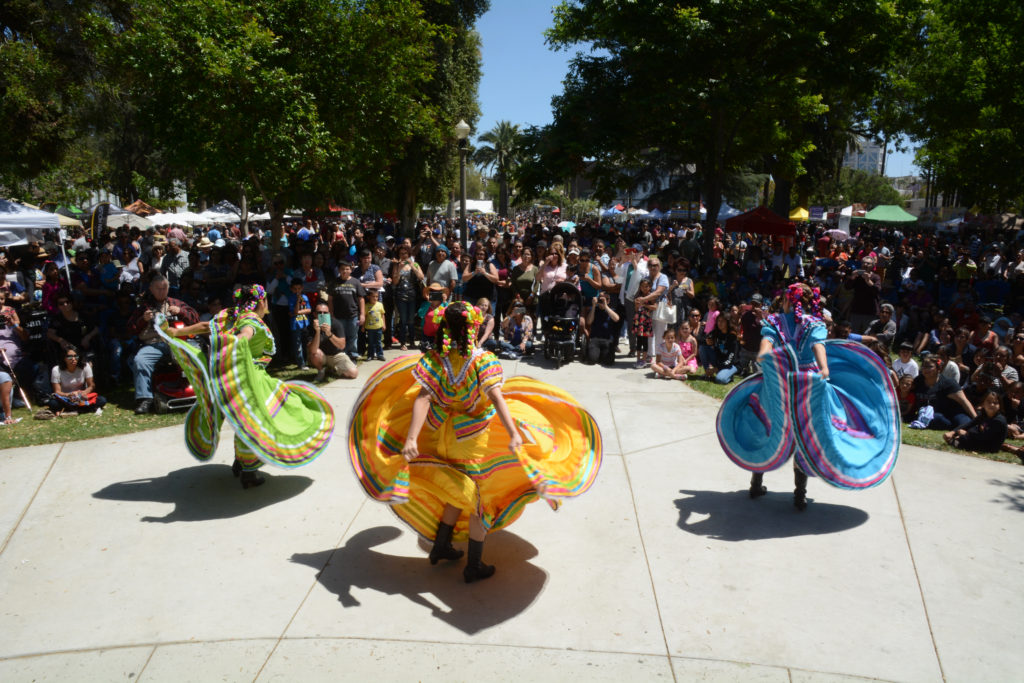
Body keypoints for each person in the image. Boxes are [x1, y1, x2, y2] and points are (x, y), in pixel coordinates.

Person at [347, 302, 603, 583]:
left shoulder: (436, 360)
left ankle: (441, 546)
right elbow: (496, 398)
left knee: (458, 491)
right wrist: (514, 432)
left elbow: (423, 398)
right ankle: (475, 565)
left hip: (445, 437)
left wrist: (411, 439)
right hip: (475, 442)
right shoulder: (482, 360)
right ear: (473, 328)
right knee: (483, 501)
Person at [717, 282, 900, 510]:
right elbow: (818, 347)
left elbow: (765, 351)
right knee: (805, 437)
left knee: (767, 429)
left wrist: (769, 360)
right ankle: (799, 495)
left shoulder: (774, 322)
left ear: (787, 301)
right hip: (808, 386)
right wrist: (823, 370)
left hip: (780, 384)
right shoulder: (814, 323)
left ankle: (756, 483)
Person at [156, 284, 335, 489]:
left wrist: (175, 332)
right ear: (261, 302)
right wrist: (238, 341)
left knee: (243, 421)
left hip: (229, 379)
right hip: (250, 379)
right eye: (265, 300)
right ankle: (248, 473)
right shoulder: (250, 319)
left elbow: (206, 326)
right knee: (261, 420)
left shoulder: (230, 315)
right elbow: (246, 332)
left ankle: (240, 462)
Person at [127, 274, 199, 414]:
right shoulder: (144, 307)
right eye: (158, 288)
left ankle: (201, 388)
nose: (162, 291)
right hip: (154, 343)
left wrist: (181, 312)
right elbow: (130, 329)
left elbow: (195, 319)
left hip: (178, 341)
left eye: (164, 288)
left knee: (197, 353)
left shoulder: (175, 303)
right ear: (151, 289)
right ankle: (144, 399)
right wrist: (143, 319)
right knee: (140, 360)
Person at [48, 347, 106, 416]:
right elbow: (57, 391)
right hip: (66, 398)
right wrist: (68, 395)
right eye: (69, 357)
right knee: (53, 403)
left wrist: (84, 393)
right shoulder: (56, 370)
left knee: (102, 400)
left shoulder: (85, 366)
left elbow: (91, 385)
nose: (73, 359)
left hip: (81, 397)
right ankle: (83, 409)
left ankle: (70, 409)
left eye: (76, 356)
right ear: (64, 358)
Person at [328, 262, 365, 362]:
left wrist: (362, 314)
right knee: (340, 337)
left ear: (351, 270)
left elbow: (361, 299)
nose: (345, 271)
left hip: (353, 315)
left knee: (352, 337)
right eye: (342, 269)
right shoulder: (334, 282)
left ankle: (352, 355)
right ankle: (342, 356)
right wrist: (331, 314)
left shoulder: (356, 282)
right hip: (338, 316)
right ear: (339, 270)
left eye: (347, 269)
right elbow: (330, 299)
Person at [584, 292, 620, 366]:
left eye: (606, 299)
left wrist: (606, 306)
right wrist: (594, 306)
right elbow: (588, 322)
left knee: (609, 362)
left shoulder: (611, 310)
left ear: (609, 300)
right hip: (595, 338)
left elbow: (616, 319)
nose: (602, 301)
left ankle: (601, 355)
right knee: (592, 360)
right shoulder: (594, 309)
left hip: (607, 339)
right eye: (600, 298)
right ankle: (597, 354)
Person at [363, 289, 386, 361]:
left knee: (378, 341)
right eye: (373, 296)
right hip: (370, 328)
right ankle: (370, 355)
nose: (375, 298)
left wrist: (384, 324)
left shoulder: (380, 304)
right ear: (369, 297)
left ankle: (380, 354)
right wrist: (363, 326)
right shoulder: (366, 306)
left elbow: (382, 315)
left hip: (378, 327)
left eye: (377, 296)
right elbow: (365, 316)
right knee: (371, 342)